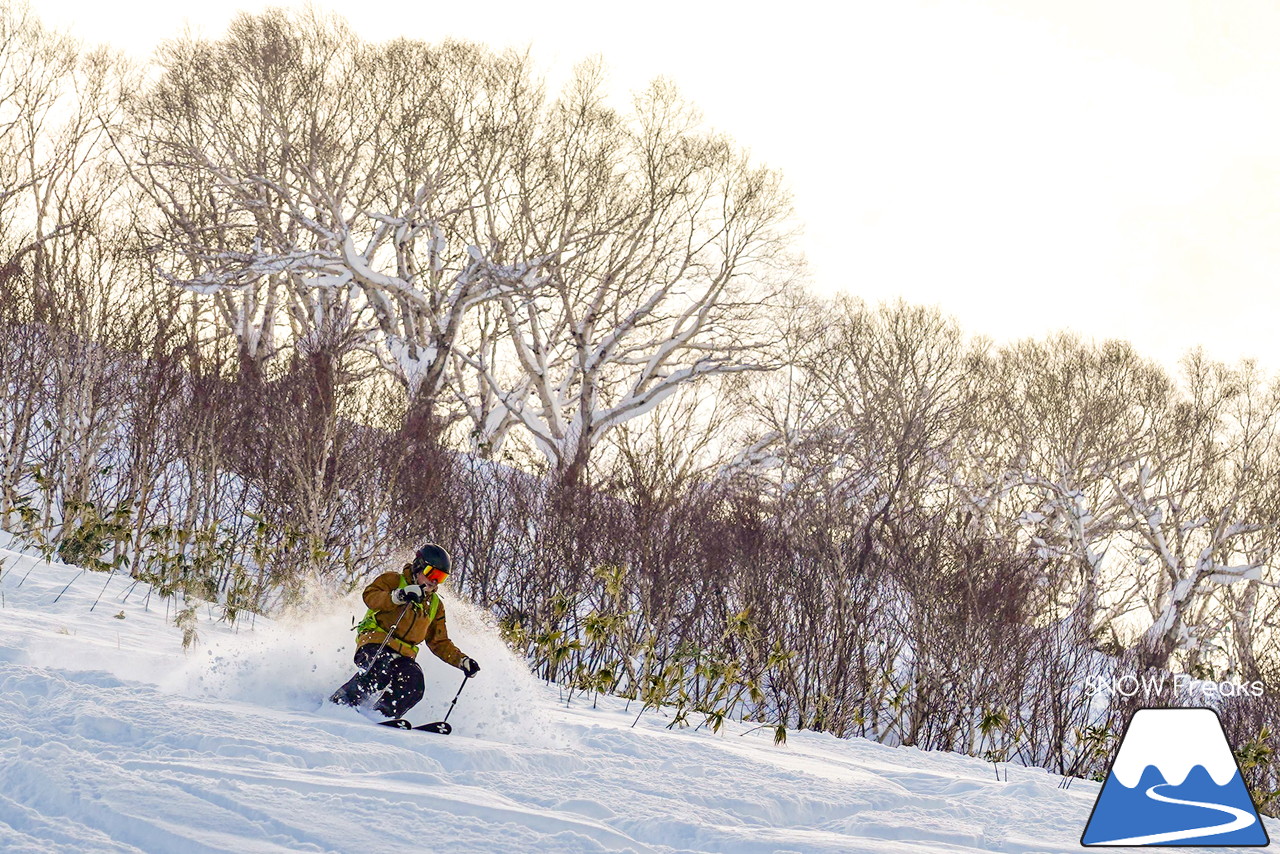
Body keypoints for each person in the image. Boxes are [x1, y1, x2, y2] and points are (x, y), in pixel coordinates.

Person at [330, 543, 481, 719]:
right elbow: (370, 596)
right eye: (432, 574)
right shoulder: (394, 580)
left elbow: (439, 641)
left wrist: (462, 661)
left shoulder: (434, 605)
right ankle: (341, 703)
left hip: (404, 655)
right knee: (380, 669)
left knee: (414, 684)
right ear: (419, 567)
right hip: (376, 641)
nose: (434, 582)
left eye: (441, 578)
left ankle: (381, 715)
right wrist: (398, 596)